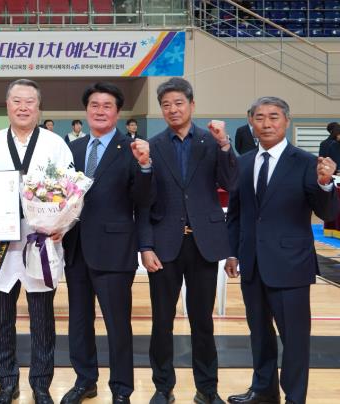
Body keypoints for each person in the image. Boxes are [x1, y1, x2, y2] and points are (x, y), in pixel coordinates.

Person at [225, 97, 338, 404]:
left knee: (295, 338)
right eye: (259, 117)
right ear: (251, 122)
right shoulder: (244, 162)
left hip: (291, 265)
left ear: (287, 121)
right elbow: (236, 214)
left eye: (273, 117)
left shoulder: (306, 162)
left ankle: (295, 397)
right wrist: (233, 253)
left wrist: (326, 184)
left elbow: (327, 211)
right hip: (252, 263)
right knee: (259, 334)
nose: (266, 123)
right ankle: (264, 390)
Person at [0, 79, 73, 404]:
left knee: (42, 320)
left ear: (39, 107)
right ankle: (7, 382)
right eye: (17, 101)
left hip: (41, 244)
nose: (23, 107)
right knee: (2, 320)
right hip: (2, 246)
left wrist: (63, 225)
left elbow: (72, 191)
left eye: (30, 101)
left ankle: (41, 385)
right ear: (7, 106)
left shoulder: (56, 145)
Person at [140, 77, 238, 404]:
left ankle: (207, 389)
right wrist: (146, 246)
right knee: (161, 322)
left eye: (178, 103)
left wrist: (225, 146)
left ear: (192, 106)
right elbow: (144, 202)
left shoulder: (212, 142)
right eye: (166, 105)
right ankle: (162, 387)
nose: (173, 109)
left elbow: (231, 182)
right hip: (164, 246)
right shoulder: (153, 146)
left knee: (203, 322)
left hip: (203, 244)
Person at [61, 82, 153, 404]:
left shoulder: (131, 149)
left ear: (118, 112)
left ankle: (121, 389)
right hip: (75, 249)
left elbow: (143, 199)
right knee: (79, 323)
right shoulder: (72, 150)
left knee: (117, 325)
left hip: (114, 250)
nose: (100, 111)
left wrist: (145, 166)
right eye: (94, 105)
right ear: (86, 110)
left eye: (107, 106)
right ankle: (85, 380)